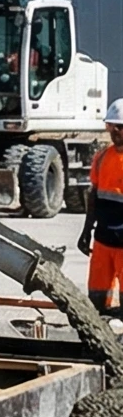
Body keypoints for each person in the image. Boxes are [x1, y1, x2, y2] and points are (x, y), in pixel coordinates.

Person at [77, 102, 123, 315]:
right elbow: (94, 196)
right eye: (112, 126)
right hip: (103, 240)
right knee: (96, 300)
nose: (115, 132)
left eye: (119, 127)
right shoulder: (102, 157)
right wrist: (86, 231)